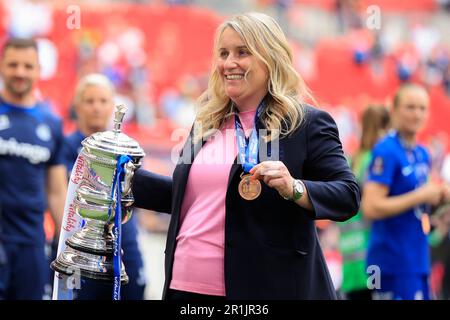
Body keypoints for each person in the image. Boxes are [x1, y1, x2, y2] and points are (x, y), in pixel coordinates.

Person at [131, 12, 360, 300]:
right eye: (223, 53)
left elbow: (348, 195)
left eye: (242, 52)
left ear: (269, 58)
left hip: (262, 289)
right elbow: (187, 198)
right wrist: (127, 180)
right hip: (184, 285)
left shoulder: (306, 123)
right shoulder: (206, 123)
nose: (229, 63)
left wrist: (294, 188)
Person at [62, 73, 146, 300]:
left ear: (112, 105)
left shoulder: (126, 149)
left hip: (123, 241)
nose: (96, 108)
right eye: (89, 101)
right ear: (77, 106)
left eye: (102, 101)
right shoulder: (67, 147)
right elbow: (58, 194)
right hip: (79, 240)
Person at [362, 83, 450, 300]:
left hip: (417, 258)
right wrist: (421, 195)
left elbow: (420, 202)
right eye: (410, 107)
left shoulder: (422, 153)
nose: (417, 114)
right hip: (389, 262)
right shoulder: (386, 151)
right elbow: (371, 207)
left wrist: (439, 196)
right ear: (395, 110)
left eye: (422, 108)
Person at [0, 38, 67, 299]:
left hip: (31, 244)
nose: (20, 72)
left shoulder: (51, 123)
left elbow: (56, 190)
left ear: (39, 70)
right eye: (13, 64)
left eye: (28, 66)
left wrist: (65, 242)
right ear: (2, 67)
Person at [339, 104, 390, 300]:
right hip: (374, 258)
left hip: (351, 260)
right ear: (383, 128)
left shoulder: (352, 161)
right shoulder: (377, 162)